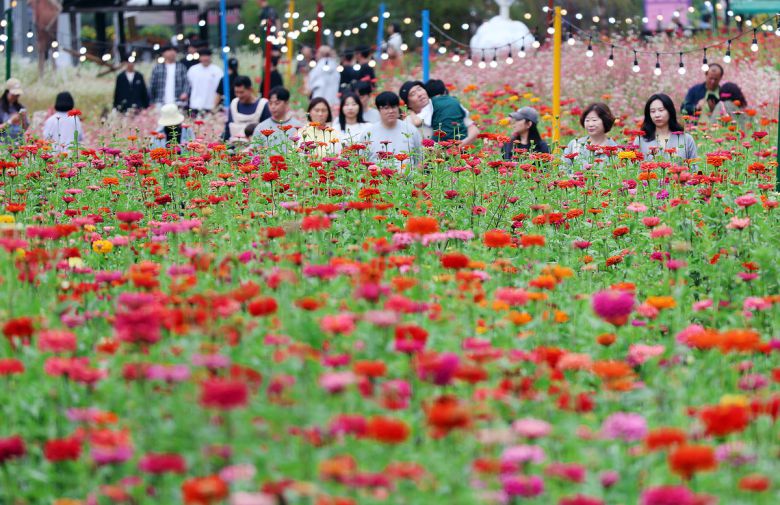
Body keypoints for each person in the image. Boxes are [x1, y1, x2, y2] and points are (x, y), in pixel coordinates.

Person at [398, 80, 479, 146]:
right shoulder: (408, 123)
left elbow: (474, 130)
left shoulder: (445, 108)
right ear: (408, 104)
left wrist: (459, 146)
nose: (419, 94)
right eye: (413, 94)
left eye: (419, 89)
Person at [361, 91, 422, 171]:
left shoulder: (411, 130)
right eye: (386, 108)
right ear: (379, 109)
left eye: (393, 107)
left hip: (407, 181)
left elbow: (420, 159)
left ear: (398, 107)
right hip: (377, 179)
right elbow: (362, 161)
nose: (391, 111)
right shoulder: (369, 133)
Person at [634, 93, 698, 161]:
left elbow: (694, 168)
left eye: (661, 110)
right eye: (653, 111)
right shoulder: (640, 140)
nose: (657, 115)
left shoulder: (686, 139)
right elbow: (632, 168)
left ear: (670, 111)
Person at [252, 86, 304, 152]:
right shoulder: (261, 127)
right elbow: (254, 151)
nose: (273, 107)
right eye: (270, 103)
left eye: (277, 103)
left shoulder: (298, 127)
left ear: (286, 103)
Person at [225, 76, 270, 140]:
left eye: (241, 92)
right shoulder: (233, 104)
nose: (239, 95)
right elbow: (228, 128)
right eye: (236, 92)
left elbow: (268, 129)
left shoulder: (263, 105)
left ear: (250, 89)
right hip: (234, 146)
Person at [187, 48, 223, 116]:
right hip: (195, 105)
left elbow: (220, 90)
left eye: (207, 56)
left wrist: (215, 106)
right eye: (203, 56)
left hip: (211, 106)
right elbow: (190, 86)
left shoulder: (217, 71)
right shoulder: (192, 70)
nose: (205, 58)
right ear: (199, 57)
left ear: (210, 57)